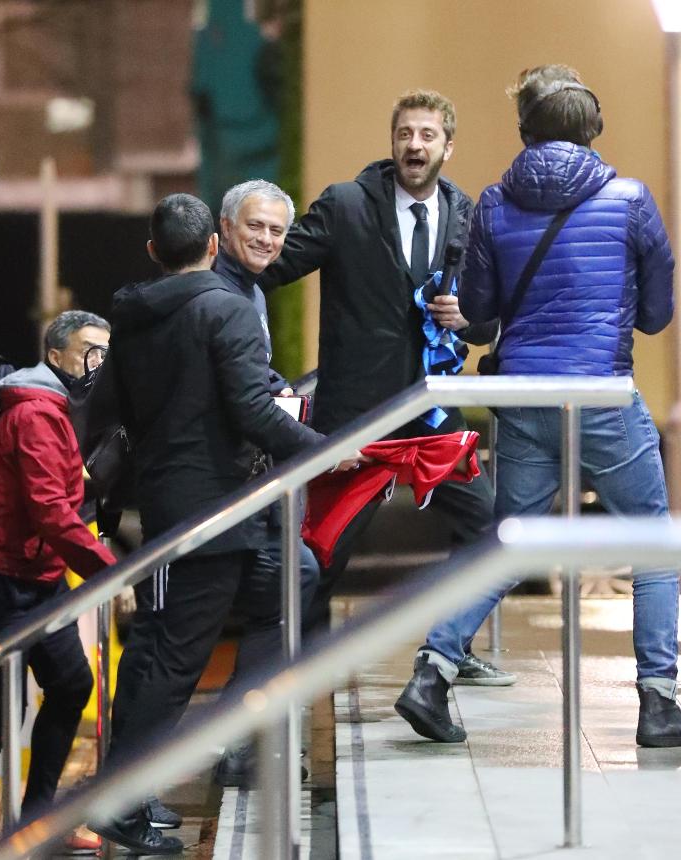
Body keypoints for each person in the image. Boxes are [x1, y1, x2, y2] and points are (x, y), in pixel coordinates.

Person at [92, 193, 357, 854]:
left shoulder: (131, 317)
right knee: (172, 660)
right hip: (211, 513)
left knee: (281, 580)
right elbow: (252, 412)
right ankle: (121, 804)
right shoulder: (227, 309)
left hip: (174, 505)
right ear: (216, 242)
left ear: (156, 251)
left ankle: (209, 748)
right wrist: (323, 447)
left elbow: (122, 409)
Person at [260, 90, 513, 743]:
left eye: (429, 134)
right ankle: (270, 710)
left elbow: (486, 314)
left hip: (434, 416)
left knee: (490, 530)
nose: (415, 144)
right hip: (356, 421)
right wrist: (214, 268)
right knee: (321, 561)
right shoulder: (346, 205)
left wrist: (476, 320)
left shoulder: (469, 214)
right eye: (406, 131)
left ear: (447, 146)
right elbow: (275, 267)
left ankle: (445, 650)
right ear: (393, 138)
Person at [458, 64, 680, 747]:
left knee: (505, 549)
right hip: (601, 394)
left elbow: (477, 313)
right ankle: (660, 699)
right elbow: (655, 316)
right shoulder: (633, 198)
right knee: (653, 545)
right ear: (594, 127)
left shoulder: (493, 202)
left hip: (523, 395)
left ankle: (432, 672)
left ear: (525, 129)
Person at [0, 311, 116, 858]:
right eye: (87, 351)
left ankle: (37, 823)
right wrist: (111, 571)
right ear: (54, 356)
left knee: (70, 685)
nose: (96, 363)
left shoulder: (58, 408)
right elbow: (49, 512)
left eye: (104, 353)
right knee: (0, 713)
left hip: (36, 577)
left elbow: (62, 495)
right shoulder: (33, 412)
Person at [211, 178, 321, 787]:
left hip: (241, 481)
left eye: (277, 230)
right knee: (173, 652)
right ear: (225, 228)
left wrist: (280, 384)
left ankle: (244, 744)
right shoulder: (219, 293)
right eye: (255, 226)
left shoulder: (245, 290)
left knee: (294, 576)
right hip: (215, 488)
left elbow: (248, 377)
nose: (266, 239)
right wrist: (320, 450)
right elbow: (242, 403)